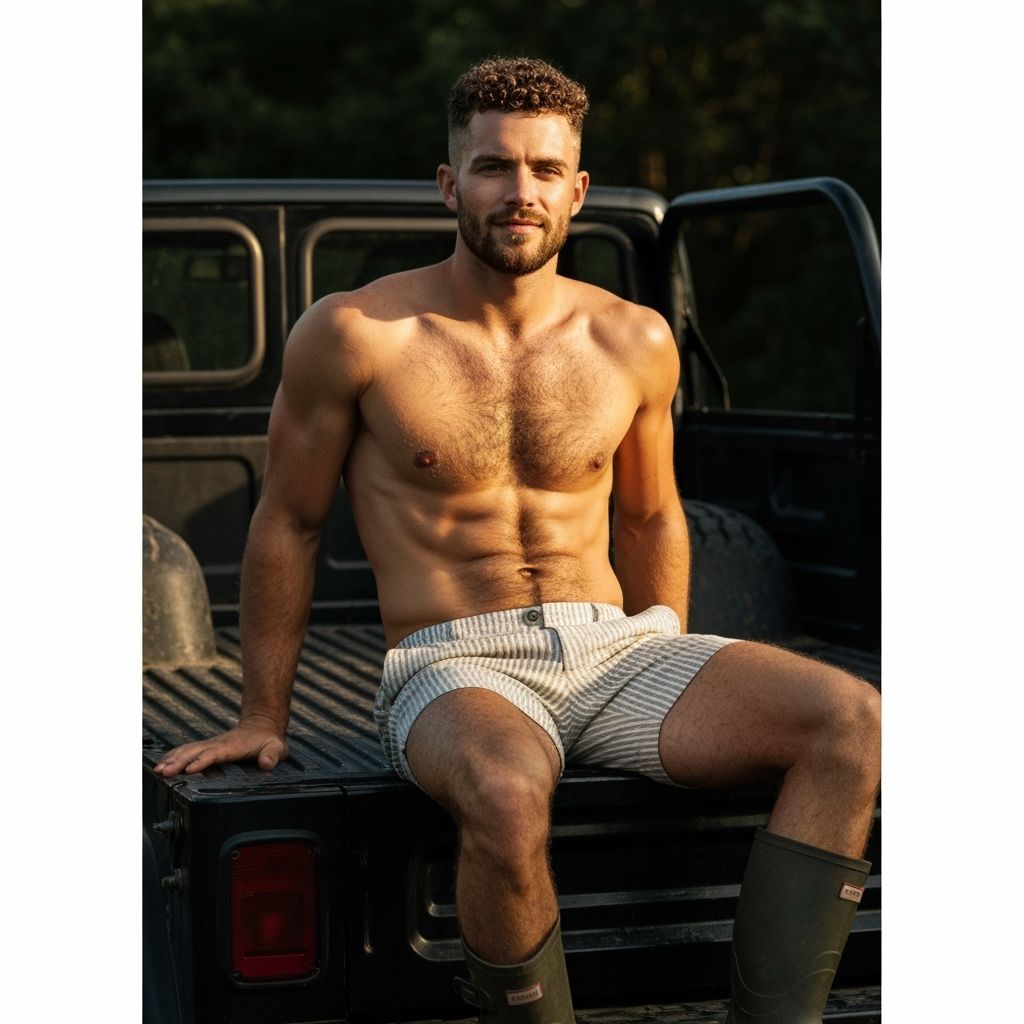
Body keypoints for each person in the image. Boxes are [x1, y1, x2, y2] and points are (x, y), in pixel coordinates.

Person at [154, 57, 881, 1024]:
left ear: (577, 189)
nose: (520, 192)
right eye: (495, 167)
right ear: (451, 183)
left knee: (852, 721)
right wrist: (261, 714)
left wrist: (666, 640)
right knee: (503, 792)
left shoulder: (635, 340)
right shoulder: (359, 332)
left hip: (618, 651)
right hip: (453, 664)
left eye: (545, 169)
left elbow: (649, 515)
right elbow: (288, 519)